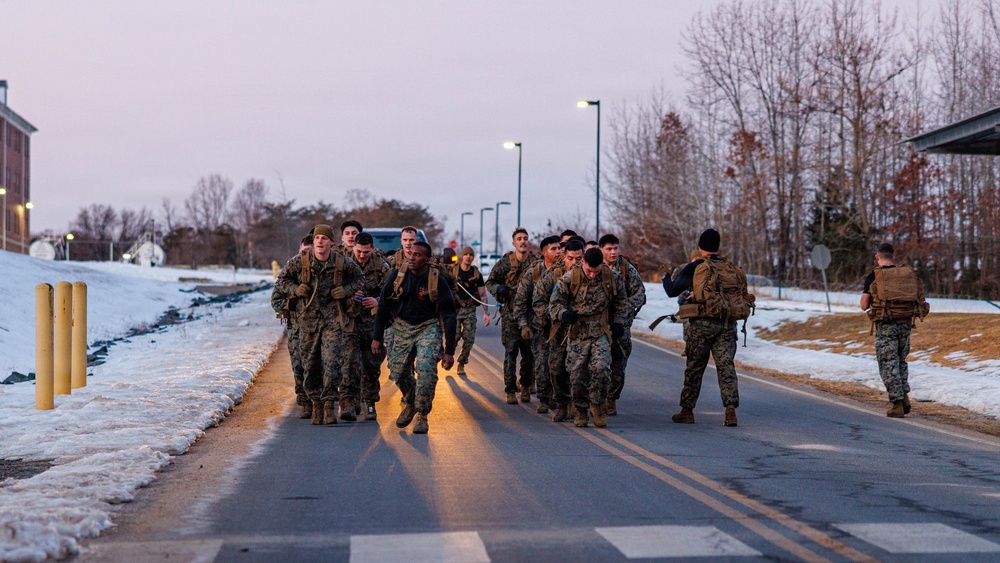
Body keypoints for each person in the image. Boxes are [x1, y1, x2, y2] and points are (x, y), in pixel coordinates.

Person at [274, 224, 365, 425]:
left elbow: (360, 278)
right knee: (310, 365)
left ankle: (329, 406)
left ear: (332, 242)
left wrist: (346, 290)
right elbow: (281, 280)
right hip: (307, 322)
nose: (320, 242)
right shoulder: (300, 261)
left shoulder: (342, 262)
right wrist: (296, 289)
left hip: (333, 320)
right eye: (317, 238)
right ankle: (315, 404)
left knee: (332, 364)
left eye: (324, 238)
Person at [662, 228, 748, 427]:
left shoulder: (696, 266)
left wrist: (666, 277)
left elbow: (672, 291)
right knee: (726, 367)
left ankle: (687, 411)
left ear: (700, 247)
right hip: (727, 325)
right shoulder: (729, 268)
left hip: (701, 326)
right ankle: (730, 410)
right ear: (717, 247)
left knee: (695, 367)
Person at [372, 242, 458, 434]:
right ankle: (411, 399)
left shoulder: (436, 280)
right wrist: (377, 337)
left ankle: (421, 414)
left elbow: (450, 315)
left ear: (426, 260)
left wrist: (449, 351)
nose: (411, 257)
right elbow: (383, 306)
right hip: (402, 326)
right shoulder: (397, 276)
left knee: (426, 370)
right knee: (397, 371)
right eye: (411, 254)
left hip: (428, 326)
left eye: (417, 255)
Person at [549, 247, 627, 428]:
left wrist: (619, 322)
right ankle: (581, 410)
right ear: (582, 262)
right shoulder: (570, 279)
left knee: (601, 369)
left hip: (600, 331)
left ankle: (598, 406)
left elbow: (622, 300)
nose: (593, 275)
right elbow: (554, 304)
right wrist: (563, 314)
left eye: (596, 271)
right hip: (578, 333)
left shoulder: (611, 277)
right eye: (589, 271)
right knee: (577, 374)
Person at [860, 242, 927, 418]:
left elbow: (863, 305)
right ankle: (904, 396)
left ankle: (896, 403)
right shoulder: (906, 275)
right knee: (900, 361)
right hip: (905, 324)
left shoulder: (874, 276)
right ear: (893, 256)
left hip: (886, 325)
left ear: (877, 257)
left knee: (888, 363)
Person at [599, 233, 647, 415]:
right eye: (609, 249)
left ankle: (611, 399)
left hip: (620, 325)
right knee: (598, 362)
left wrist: (624, 308)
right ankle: (597, 398)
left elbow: (640, 293)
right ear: (601, 249)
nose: (613, 252)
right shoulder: (595, 268)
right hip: (599, 323)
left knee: (619, 363)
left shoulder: (627, 269)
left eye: (615, 248)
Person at [486, 227, 535, 405]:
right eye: (519, 239)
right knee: (511, 352)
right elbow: (490, 282)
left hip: (530, 316)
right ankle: (510, 389)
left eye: (525, 238)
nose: (523, 241)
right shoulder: (505, 263)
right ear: (514, 243)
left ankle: (526, 386)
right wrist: (499, 290)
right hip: (510, 315)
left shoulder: (535, 263)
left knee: (530, 355)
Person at [514, 235, 561, 413]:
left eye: (559, 248)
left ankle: (560, 397)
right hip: (540, 327)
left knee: (559, 365)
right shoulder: (533, 273)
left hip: (561, 329)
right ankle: (544, 398)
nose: (558, 252)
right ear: (544, 253)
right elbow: (520, 301)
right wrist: (523, 325)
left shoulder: (566, 272)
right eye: (553, 249)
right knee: (541, 363)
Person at [347, 232, 390, 421]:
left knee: (371, 364)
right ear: (353, 248)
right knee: (348, 362)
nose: (362, 255)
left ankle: (370, 403)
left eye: (365, 252)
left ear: (372, 249)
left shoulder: (382, 267)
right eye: (359, 251)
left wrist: (378, 300)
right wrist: (348, 295)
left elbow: (394, 293)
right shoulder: (343, 264)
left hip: (373, 323)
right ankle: (349, 401)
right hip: (349, 321)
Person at [270, 233, 314, 418]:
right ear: (299, 250)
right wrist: (293, 297)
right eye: (305, 251)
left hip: (322, 328)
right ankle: (304, 401)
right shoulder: (292, 271)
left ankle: (319, 401)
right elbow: (276, 299)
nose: (307, 256)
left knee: (321, 366)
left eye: (311, 252)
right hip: (297, 329)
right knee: (299, 366)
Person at [452, 246, 490, 376]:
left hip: (470, 310)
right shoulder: (453, 272)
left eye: (471, 255)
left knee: (469, 339)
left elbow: (483, 294)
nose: (468, 257)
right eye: (466, 254)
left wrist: (486, 313)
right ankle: (448, 356)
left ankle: (462, 363)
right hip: (455, 310)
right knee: (454, 336)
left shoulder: (476, 273)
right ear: (462, 256)